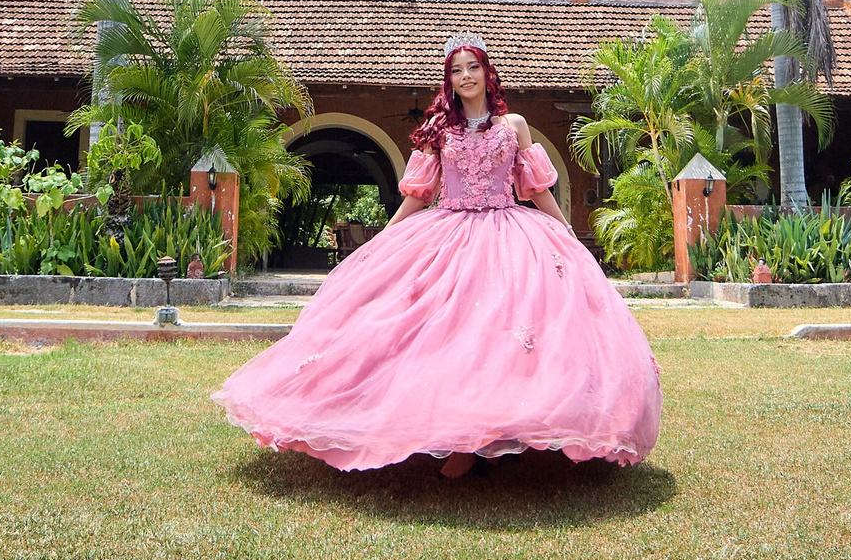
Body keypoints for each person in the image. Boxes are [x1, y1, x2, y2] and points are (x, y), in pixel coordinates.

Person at [213, 35, 663, 476]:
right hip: (447, 229)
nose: (466, 76)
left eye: (473, 66)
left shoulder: (516, 126)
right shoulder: (439, 131)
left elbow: (539, 187)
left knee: (502, 330)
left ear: (489, 74)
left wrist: (565, 231)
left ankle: (490, 433)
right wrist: (386, 237)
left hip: (509, 233)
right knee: (436, 330)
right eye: (456, 70)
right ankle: (452, 436)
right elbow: (418, 194)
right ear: (447, 80)